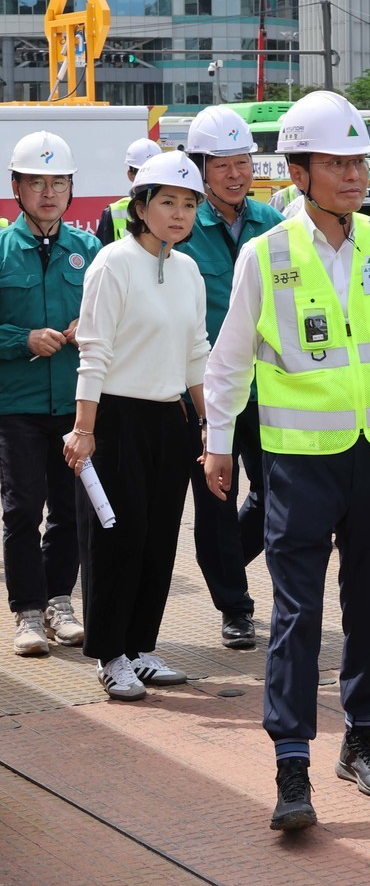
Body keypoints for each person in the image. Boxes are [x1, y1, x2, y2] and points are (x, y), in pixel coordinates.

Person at [201, 91, 370, 831]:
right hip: (298, 461)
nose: (355, 176)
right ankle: (292, 763)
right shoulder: (267, 256)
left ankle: (361, 737)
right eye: (337, 164)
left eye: (360, 163)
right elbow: (229, 361)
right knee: (297, 613)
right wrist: (219, 442)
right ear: (299, 172)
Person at [64, 151, 211, 700]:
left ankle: (141, 648)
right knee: (116, 541)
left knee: (159, 538)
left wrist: (208, 423)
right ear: (140, 207)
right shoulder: (113, 263)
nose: (179, 214)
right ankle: (110, 654)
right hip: (115, 419)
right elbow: (94, 351)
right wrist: (84, 428)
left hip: (170, 419)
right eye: (167, 202)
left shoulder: (188, 270)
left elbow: (197, 353)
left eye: (189, 204)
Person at [177, 105, 283, 650]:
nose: (237, 174)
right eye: (222, 165)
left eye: (243, 162)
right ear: (200, 168)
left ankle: (222, 563)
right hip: (207, 394)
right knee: (216, 499)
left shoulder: (272, 223)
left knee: (276, 496)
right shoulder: (183, 227)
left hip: (269, 390)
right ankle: (234, 607)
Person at [0, 131, 99, 657]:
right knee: (22, 509)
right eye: (36, 183)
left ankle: (60, 601)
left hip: (76, 404)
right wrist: (23, 339)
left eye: (58, 182)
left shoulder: (90, 251)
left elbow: (119, 317)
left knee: (69, 509)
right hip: (16, 406)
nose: (48, 193)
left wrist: (91, 326)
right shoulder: (1, 250)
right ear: (16, 187)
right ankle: (28, 611)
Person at [94, 138, 162, 246]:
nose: (147, 180)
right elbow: (102, 253)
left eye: (153, 174)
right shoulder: (113, 212)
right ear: (130, 175)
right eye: (141, 173)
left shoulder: (173, 210)